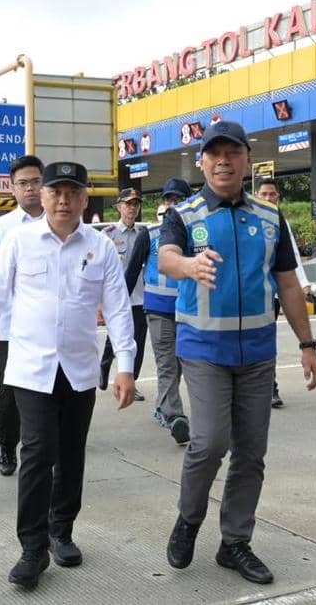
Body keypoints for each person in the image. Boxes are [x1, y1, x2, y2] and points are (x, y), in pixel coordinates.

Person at [159, 121, 316, 586]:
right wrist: (190, 265)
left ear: (248, 160)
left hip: (256, 353)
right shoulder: (184, 215)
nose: (223, 161)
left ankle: (234, 543)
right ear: (202, 162)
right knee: (209, 442)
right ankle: (188, 520)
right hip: (204, 350)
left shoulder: (271, 218)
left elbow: (288, 284)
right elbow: (167, 258)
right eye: (215, 154)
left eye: (233, 152)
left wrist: (307, 345)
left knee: (251, 453)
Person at [0, 161, 137, 591]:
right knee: (38, 453)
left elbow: (117, 309)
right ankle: (32, 548)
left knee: (72, 454)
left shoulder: (99, 248)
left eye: (72, 192)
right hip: (30, 369)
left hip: (79, 371)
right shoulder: (20, 242)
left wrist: (126, 367)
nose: (63, 200)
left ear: (84, 199)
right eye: (54, 191)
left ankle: (62, 530)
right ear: (42, 196)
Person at [0, 154, 46, 477]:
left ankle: (44, 445)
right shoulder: (0, 229)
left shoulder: (61, 222)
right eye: (23, 183)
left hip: (49, 328)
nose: (30, 189)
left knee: (50, 388)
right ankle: (7, 446)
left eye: (35, 181)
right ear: (12, 188)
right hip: (10, 329)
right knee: (9, 394)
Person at [122, 177, 193, 443]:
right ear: (164, 203)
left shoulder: (198, 235)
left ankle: (163, 406)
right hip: (159, 310)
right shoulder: (149, 235)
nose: (174, 204)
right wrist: (119, 310)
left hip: (189, 310)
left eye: (179, 199)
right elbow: (130, 275)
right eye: (170, 199)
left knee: (179, 364)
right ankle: (176, 417)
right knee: (166, 364)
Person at [253, 178, 313, 409]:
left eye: (273, 195)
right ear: (257, 196)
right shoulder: (249, 218)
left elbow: (292, 257)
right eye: (265, 195)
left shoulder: (279, 221)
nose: (269, 199)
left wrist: (303, 283)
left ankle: (270, 388)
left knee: (268, 339)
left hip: (276, 294)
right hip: (255, 293)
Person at [100, 187, 147, 400]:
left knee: (137, 340)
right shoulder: (108, 234)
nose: (132, 208)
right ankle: (104, 366)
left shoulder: (144, 234)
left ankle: (132, 382)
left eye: (135, 204)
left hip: (138, 296)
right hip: (115, 296)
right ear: (119, 206)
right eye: (128, 204)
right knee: (115, 335)